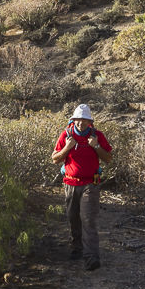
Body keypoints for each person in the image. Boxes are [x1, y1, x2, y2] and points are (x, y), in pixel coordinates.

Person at [51, 104, 113, 271]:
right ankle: (77, 248)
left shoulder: (97, 136)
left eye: (85, 120)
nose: (81, 123)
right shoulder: (66, 135)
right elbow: (55, 159)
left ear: (89, 121)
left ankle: (91, 257)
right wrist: (67, 147)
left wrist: (96, 146)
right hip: (70, 183)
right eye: (78, 120)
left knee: (88, 219)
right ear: (73, 120)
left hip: (90, 184)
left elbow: (108, 158)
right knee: (73, 218)